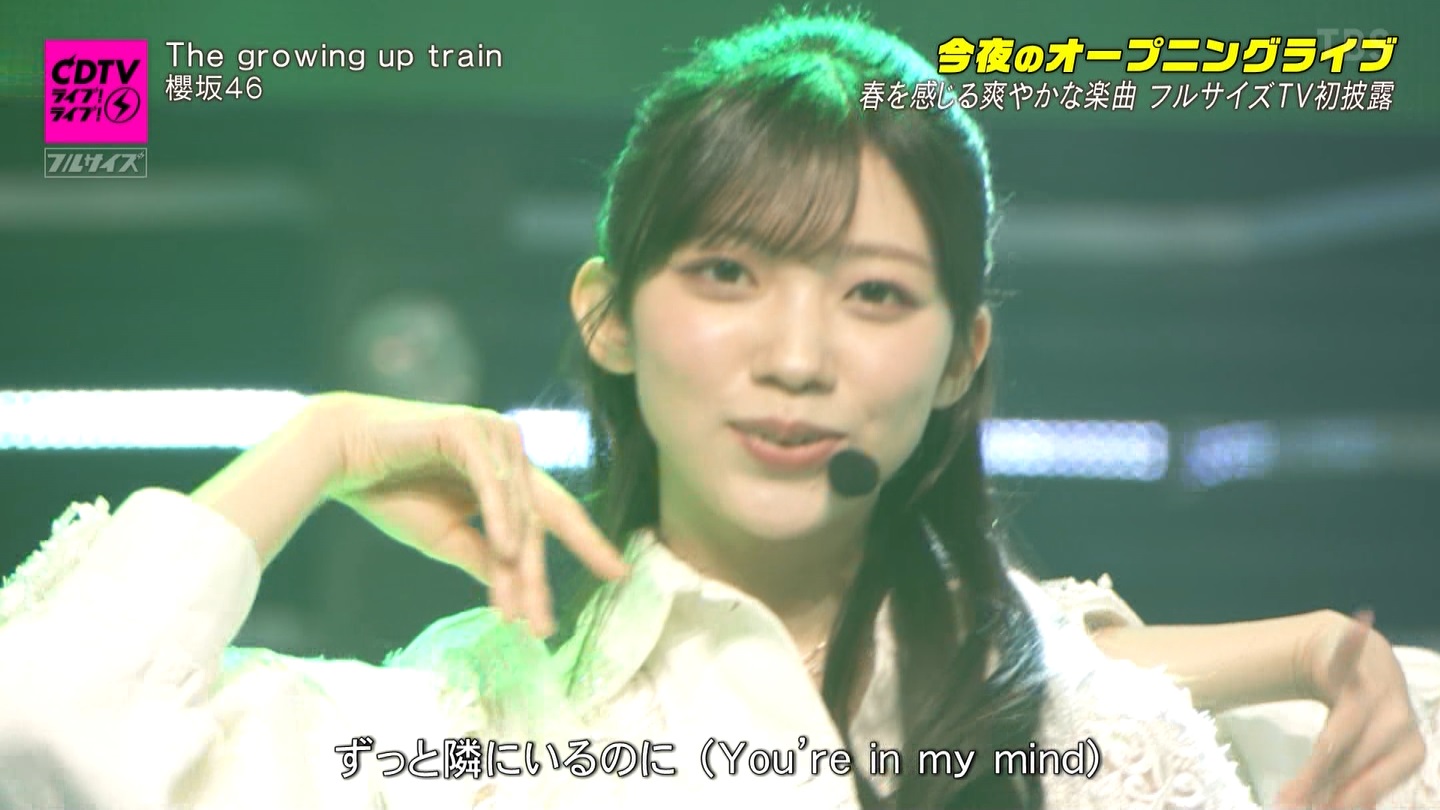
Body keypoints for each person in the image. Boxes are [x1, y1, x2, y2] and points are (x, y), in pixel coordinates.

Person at [0, 10, 1435, 810]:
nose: (798, 357)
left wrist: (1310, 648)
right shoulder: (474, 730)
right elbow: (39, 733)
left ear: (961, 356)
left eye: (876, 293)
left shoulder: (1107, 726)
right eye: (729, 273)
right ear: (608, 314)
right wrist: (320, 440)